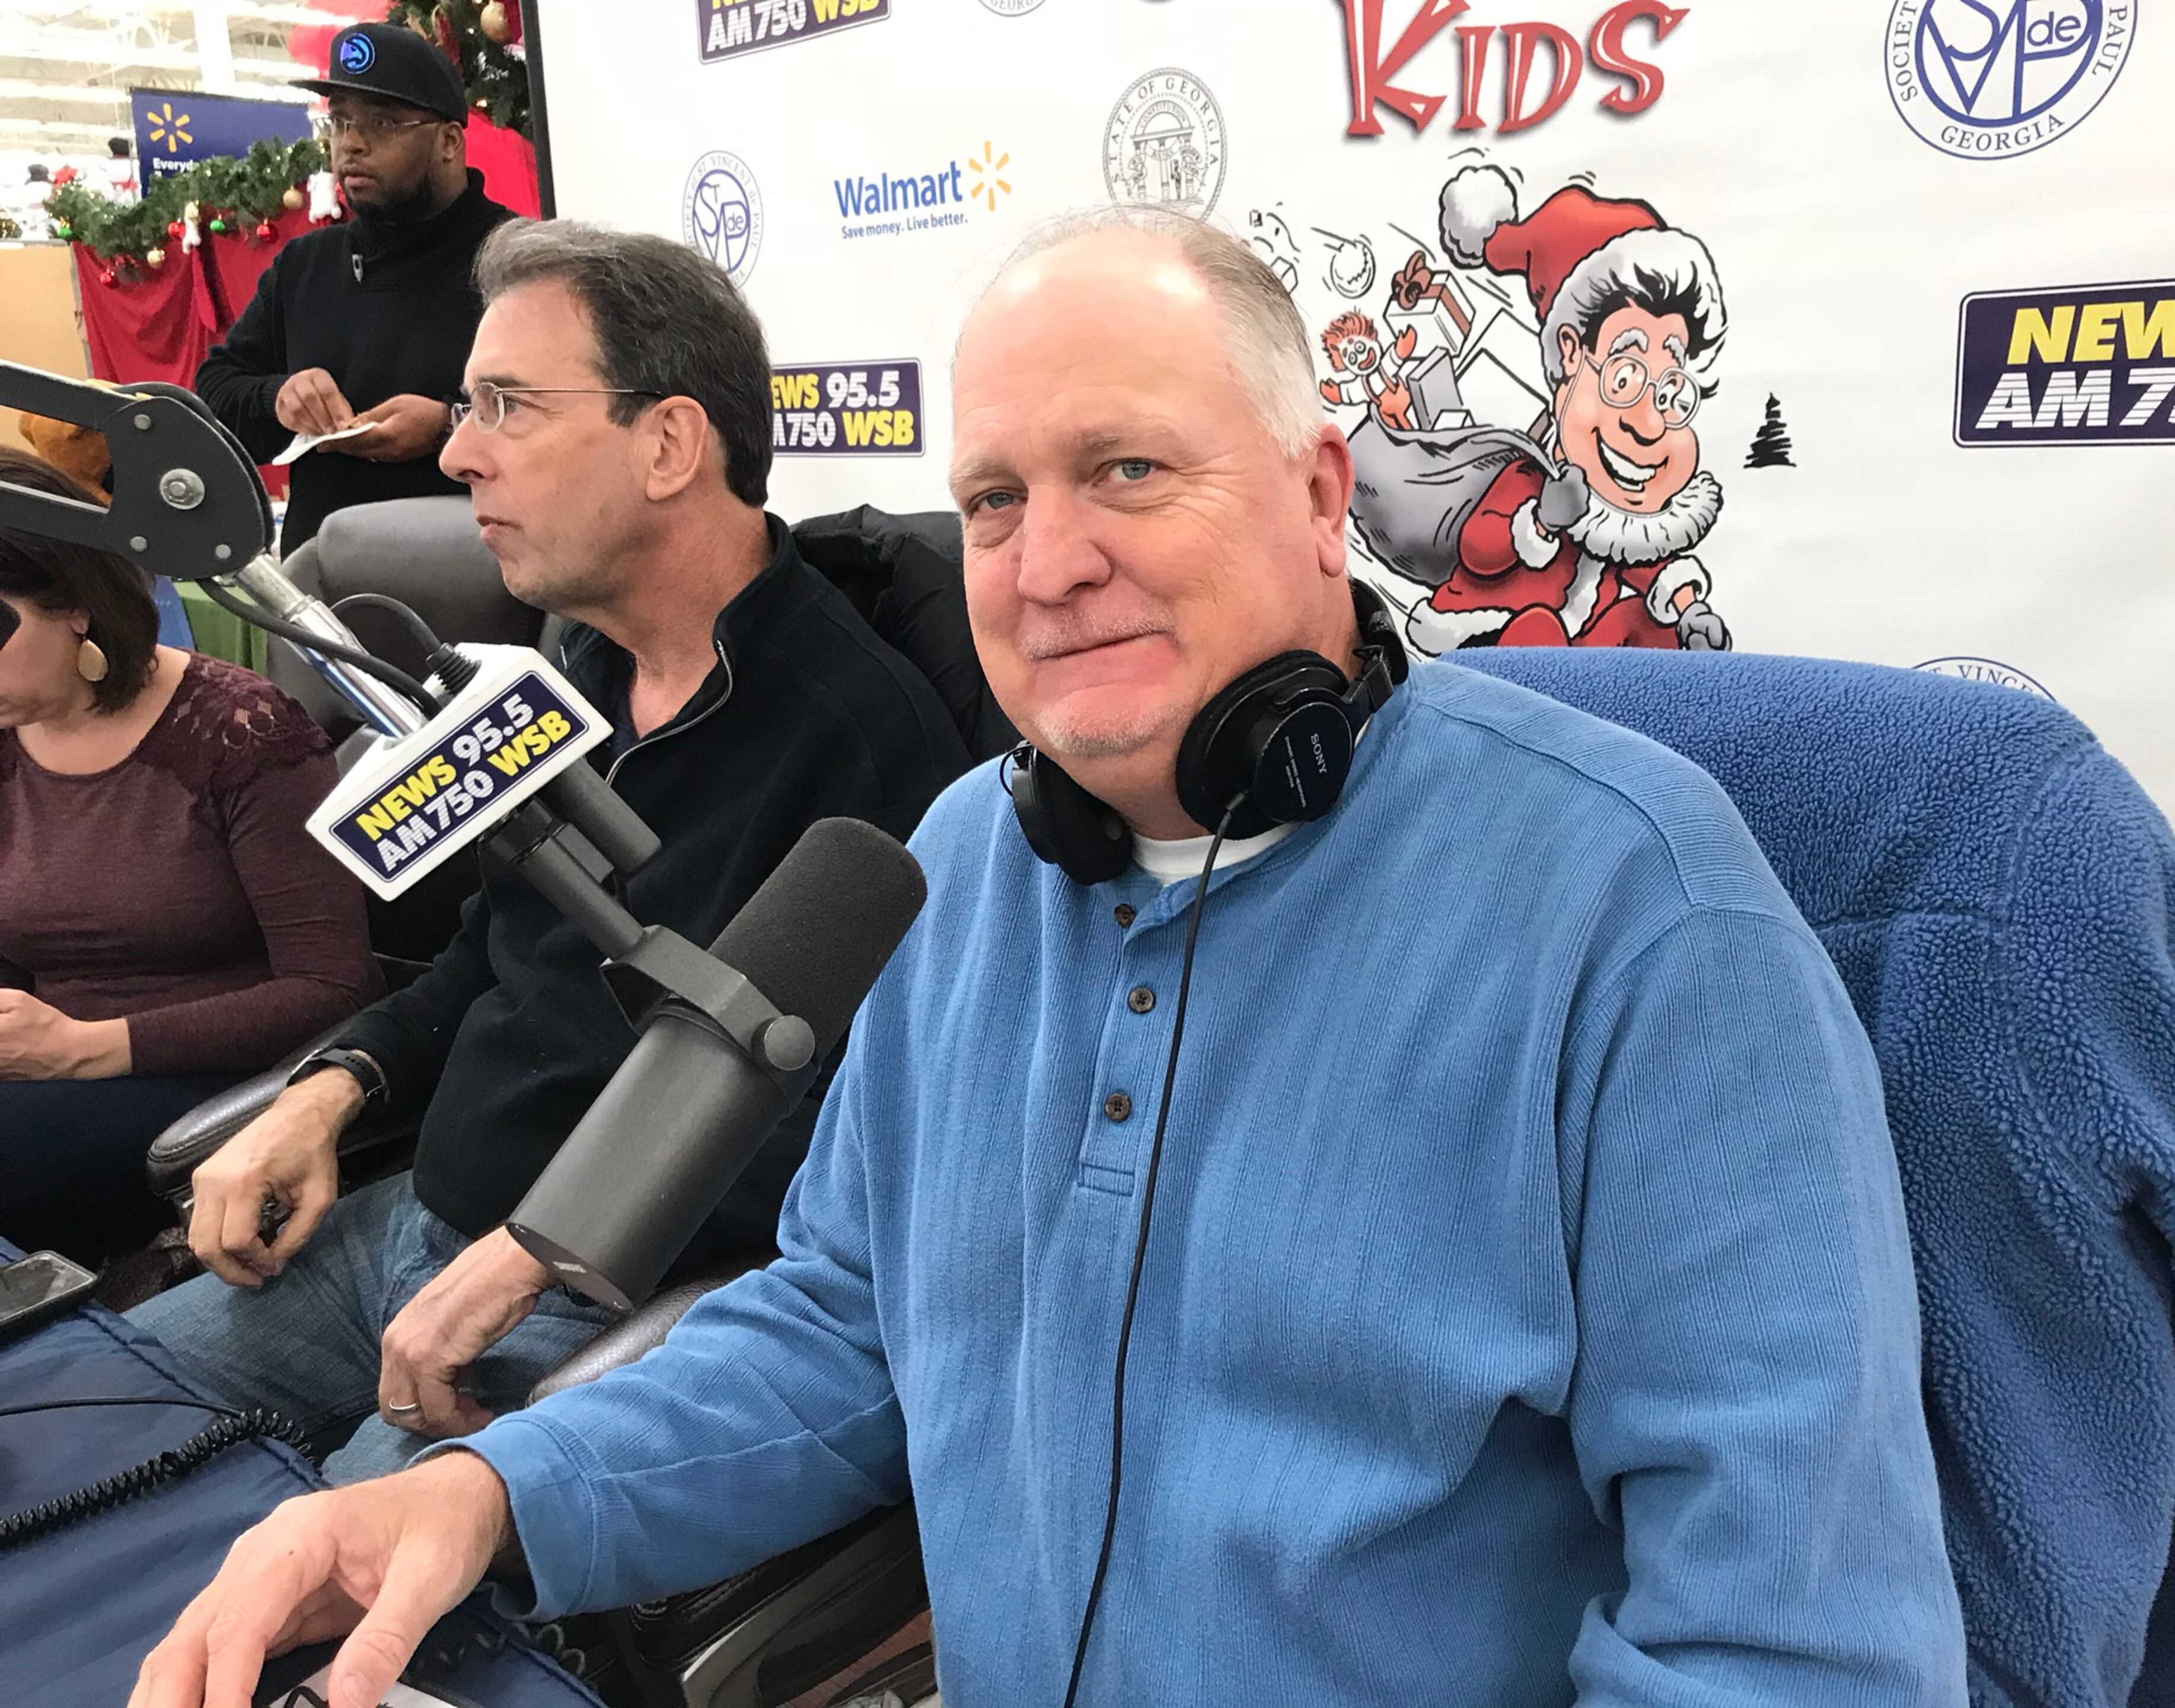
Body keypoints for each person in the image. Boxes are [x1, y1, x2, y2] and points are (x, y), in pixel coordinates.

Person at [133, 211, 1969, 1708]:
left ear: (1324, 495)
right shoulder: (957, 868)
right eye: (995, 500)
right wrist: (489, 1493)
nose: (1044, 560)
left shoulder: (1636, 913)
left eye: (1127, 470)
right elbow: (849, 1328)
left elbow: (1788, 1646)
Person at [129, 220, 972, 1486]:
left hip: (592, 1299)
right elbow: (490, 956)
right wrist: (328, 1091)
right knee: (73, 1416)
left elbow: (849, 1132)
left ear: (671, 443)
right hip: (399, 1223)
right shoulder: (570, 666)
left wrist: (538, 1253)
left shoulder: (865, 739)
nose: (459, 454)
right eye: (466, 409)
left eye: (506, 407)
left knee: (278, 1611)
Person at [0, 449, 381, 1266]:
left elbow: (335, 988)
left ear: (72, 603)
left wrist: (86, 1045)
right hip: (44, 1072)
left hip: (208, 1076)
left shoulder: (243, 734)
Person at [195, 23, 515, 555]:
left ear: (448, 142)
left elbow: (569, 416)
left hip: (486, 585)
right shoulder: (306, 266)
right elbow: (217, 390)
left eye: (382, 122)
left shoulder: (518, 262)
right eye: (340, 120)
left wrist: (449, 424)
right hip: (321, 595)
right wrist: (278, 398)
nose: (351, 144)